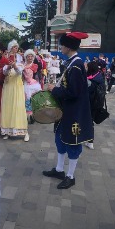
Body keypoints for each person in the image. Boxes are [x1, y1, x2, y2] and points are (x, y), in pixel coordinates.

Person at [43, 32, 93, 189]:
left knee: (73, 143)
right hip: (66, 110)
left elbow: (74, 93)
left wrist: (54, 90)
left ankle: (70, 176)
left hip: (74, 112)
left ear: (69, 46)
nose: (60, 47)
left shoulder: (76, 65)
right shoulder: (71, 62)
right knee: (60, 139)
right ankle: (59, 170)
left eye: (62, 44)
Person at [0, 40, 29, 142]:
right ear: (10, 48)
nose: (15, 49)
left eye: (16, 47)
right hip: (8, 85)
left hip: (17, 85)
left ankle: (24, 132)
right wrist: (8, 66)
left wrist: (15, 66)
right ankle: (7, 131)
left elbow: (20, 72)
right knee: (7, 107)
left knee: (19, 107)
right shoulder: (6, 58)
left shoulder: (20, 59)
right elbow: (4, 72)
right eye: (13, 47)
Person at [85, 61, 106, 150]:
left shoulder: (90, 80)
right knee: (90, 121)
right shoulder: (99, 76)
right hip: (98, 103)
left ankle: (90, 141)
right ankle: (89, 140)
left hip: (90, 104)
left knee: (88, 122)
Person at [23, 49, 41, 124]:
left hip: (32, 84)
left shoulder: (34, 66)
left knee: (31, 100)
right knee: (25, 100)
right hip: (24, 84)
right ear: (26, 57)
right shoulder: (23, 65)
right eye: (28, 56)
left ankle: (31, 116)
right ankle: (26, 116)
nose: (30, 58)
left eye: (31, 56)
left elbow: (35, 75)